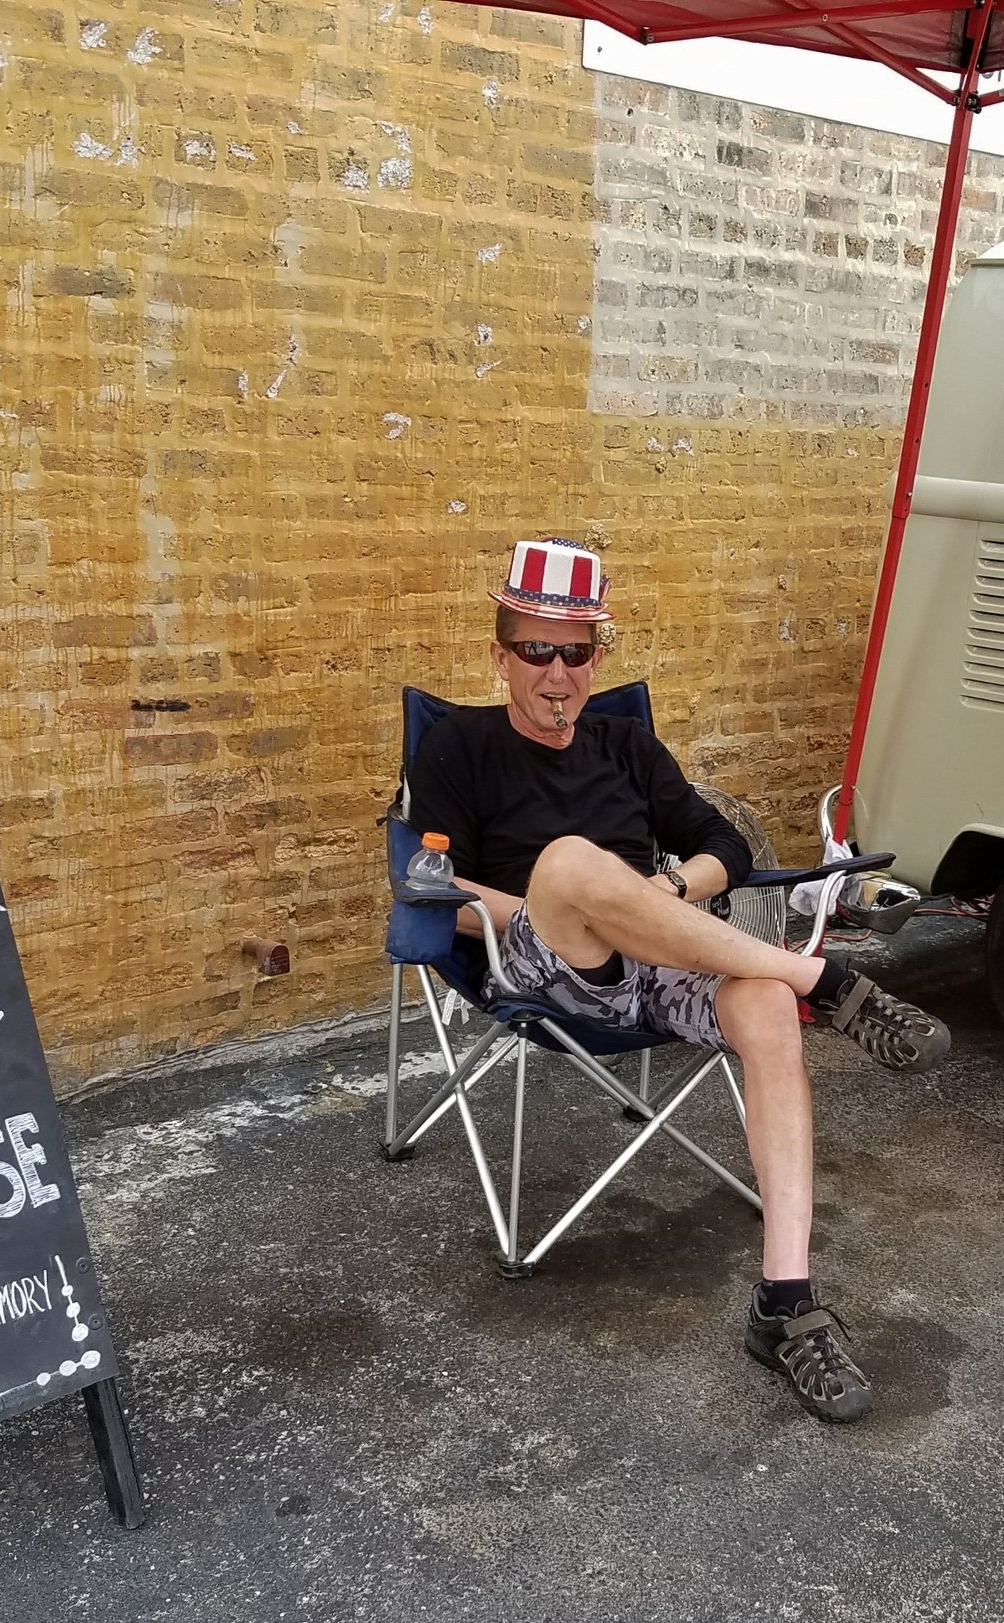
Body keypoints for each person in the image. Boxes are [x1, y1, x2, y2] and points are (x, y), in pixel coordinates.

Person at [406, 538, 952, 1424]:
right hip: (547, 966)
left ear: (598, 656)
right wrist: (561, 902)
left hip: (667, 962)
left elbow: (724, 849)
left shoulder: (627, 745)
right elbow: (438, 893)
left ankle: (786, 1302)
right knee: (571, 860)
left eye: (576, 651)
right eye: (536, 649)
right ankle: (824, 976)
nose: (557, 675)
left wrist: (656, 893)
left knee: (765, 1006)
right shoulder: (458, 749)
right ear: (499, 650)